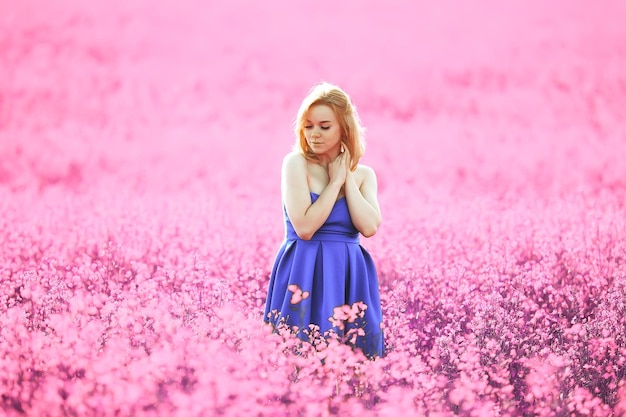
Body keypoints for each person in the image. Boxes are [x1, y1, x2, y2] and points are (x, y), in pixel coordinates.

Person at [263, 81, 384, 358]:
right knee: (296, 354)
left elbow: (369, 227)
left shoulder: (365, 175)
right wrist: (334, 184)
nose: (314, 134)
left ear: (344, 127)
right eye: (308, 126)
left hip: (349, 274)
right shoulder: (295, 164)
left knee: (353, 363)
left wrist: (347, 179)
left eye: (324, 126)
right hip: (303, 269)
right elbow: (305, 228)